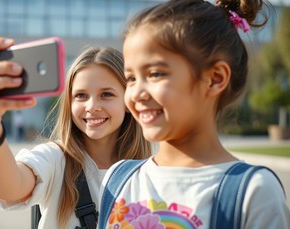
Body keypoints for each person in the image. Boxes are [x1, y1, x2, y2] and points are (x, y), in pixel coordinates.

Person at [99, 0, 290, 228]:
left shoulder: (253, 192)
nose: (136, 93)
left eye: (156, 73)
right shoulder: (118, 179)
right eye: (131, 78)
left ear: (215, 78)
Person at [0, 39, 152, 228]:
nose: (92, 106)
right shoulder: (55, 159)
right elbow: (8, 188)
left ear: (129, 101)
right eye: (81, 96)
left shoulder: (150, 171)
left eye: (106, 94)